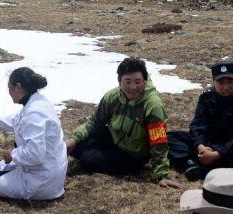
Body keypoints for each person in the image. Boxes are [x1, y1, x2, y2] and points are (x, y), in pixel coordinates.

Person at [66, 57, 183, 189]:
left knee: (88, 160)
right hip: (113, 138)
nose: (133, 87)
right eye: (127, 81)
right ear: (119, 81)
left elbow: (158, 141)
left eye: (138, 82)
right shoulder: (113, 96)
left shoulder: (153, 105)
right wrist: (73, 139)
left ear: (144, 81)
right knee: (73, 146)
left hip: (132, 155)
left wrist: (161, 175)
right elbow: (96, 121)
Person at [0, 68, 67, 200]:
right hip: (50, 172)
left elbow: (35, 155)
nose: (9, 93)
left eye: (9, 88)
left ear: (17, 87)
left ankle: (37, 193)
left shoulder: (34, 113)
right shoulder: (38, 102)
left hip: (41, 182)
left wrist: (12, 155)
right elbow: (17, 119)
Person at [168, 60, 233, 182]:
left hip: (229, 148)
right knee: (169, 137)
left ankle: (201, 167)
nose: (226, 87)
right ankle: (190, 164)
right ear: (214, 82)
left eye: (230, 81)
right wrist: (201, 147)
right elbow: (197, 125)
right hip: (207, 144)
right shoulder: (206, 96)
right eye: (221, 82)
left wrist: (217, 154)